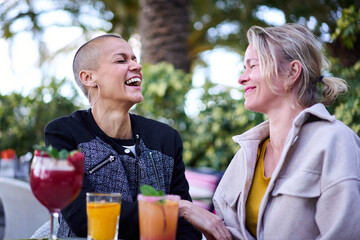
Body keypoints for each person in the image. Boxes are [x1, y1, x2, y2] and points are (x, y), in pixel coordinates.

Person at [210, 23, 360, 239]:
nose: (241, 78)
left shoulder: (336, 141)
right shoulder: (245, 155)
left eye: (253, 66)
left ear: (292, 72)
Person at [44, 34, 202, 239]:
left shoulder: (165, 138)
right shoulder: (64, 133)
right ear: (88, 78)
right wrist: (174, 208)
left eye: (135, 59)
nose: (137, 66)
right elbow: (82, 217)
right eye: (121, 60)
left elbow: (186, 229)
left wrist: (178, 211)